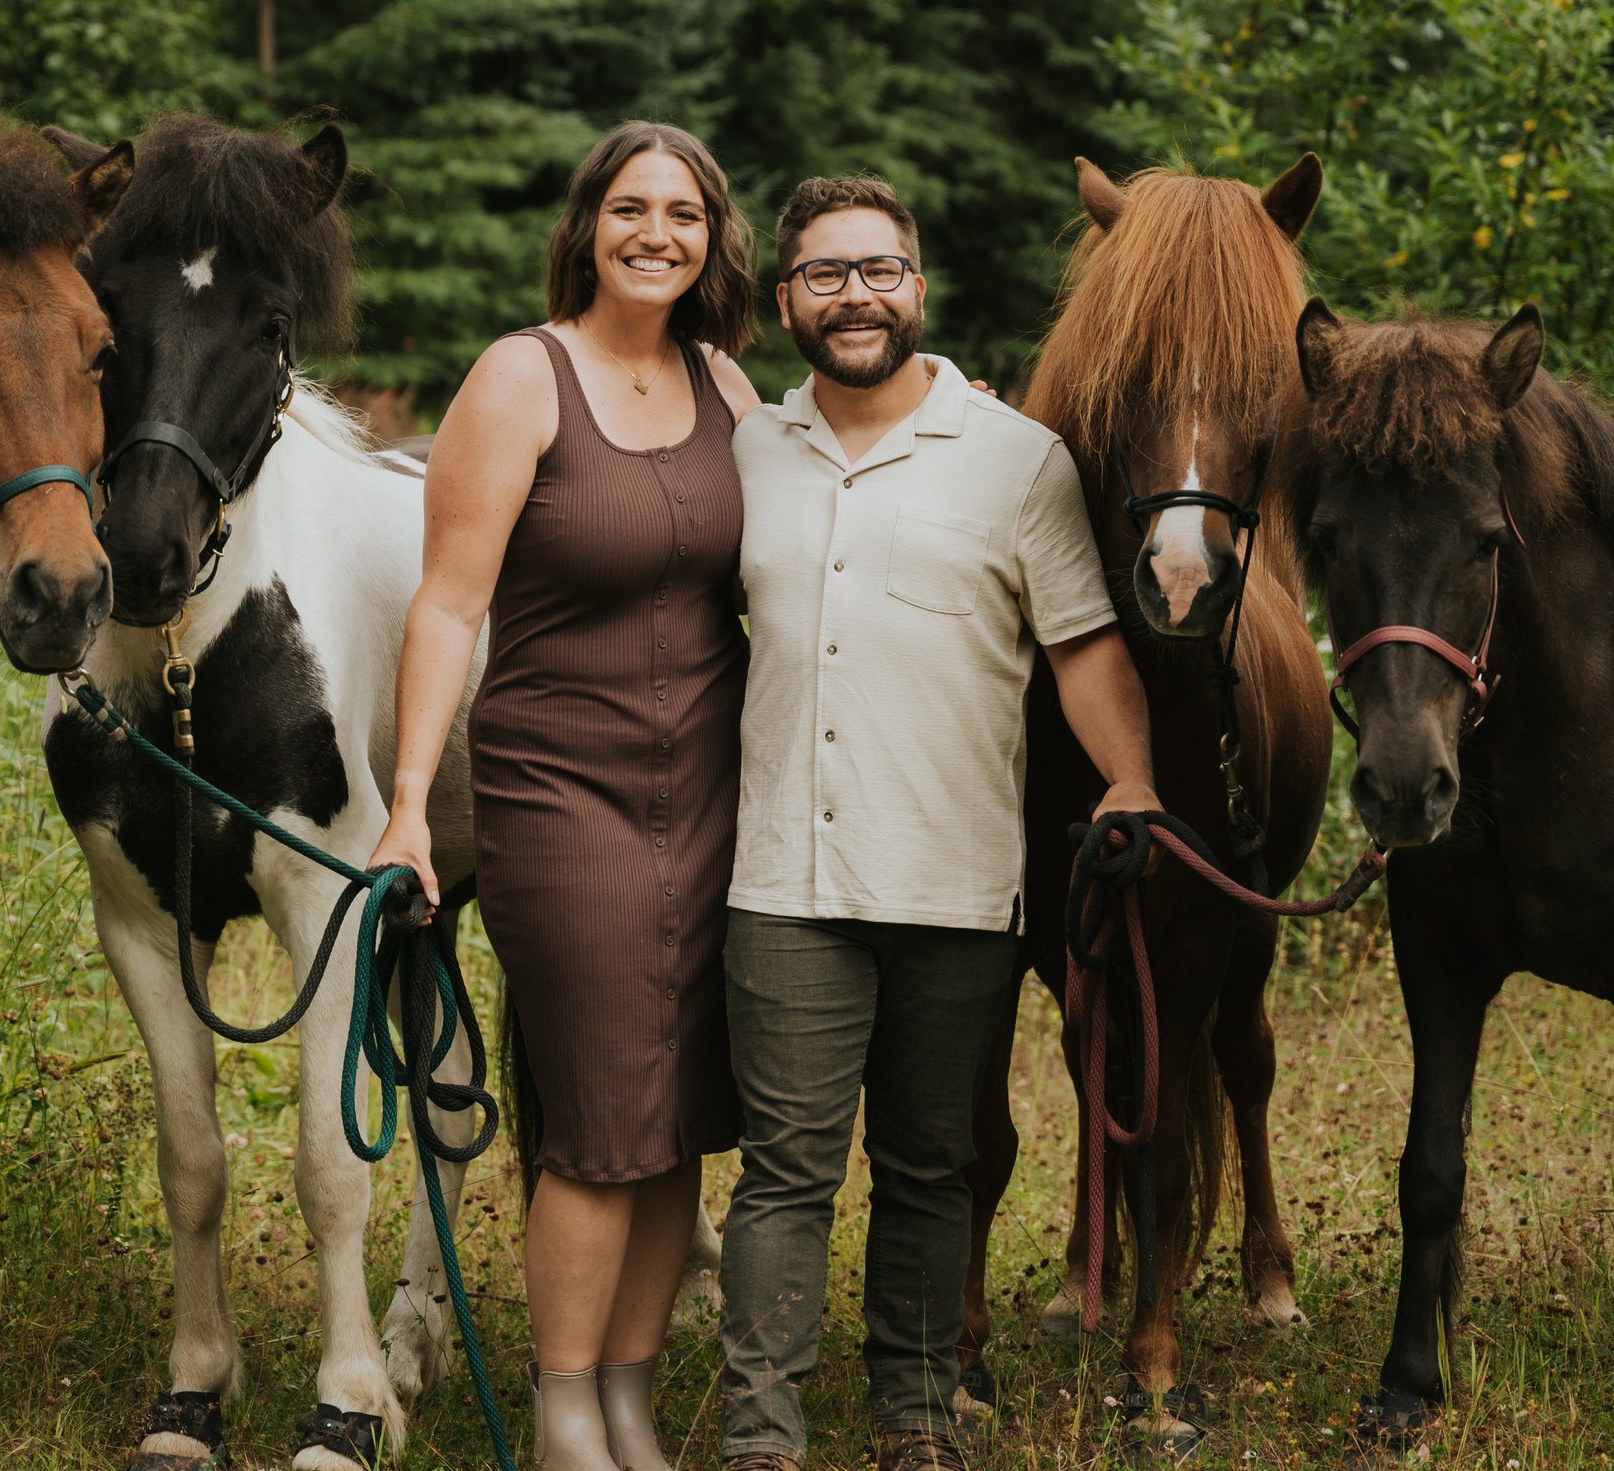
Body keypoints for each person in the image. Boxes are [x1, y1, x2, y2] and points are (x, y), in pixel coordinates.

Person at [717, 177, 1163, 1471]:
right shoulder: (748, 452)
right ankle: (761, 1430)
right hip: (786, 882)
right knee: (786, 1173)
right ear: (787, 299)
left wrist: (1130, 780)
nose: (854, 294)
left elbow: (1082, 648)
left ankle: (913, 1415)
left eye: (879, 269)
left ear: (919, 284)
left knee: (929, 1167)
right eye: (824, 274)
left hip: (958, 884)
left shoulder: (1018, 457)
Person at [370, 121, 762, 1471]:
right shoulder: (521, 377)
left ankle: (629, 1402)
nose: (659, 233)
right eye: (632, 208)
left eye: (687, 213)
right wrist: (412, 803)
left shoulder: (728, 386)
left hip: (709, 795)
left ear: (716, 239)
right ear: (587, 225)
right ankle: (560, 1417)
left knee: (678, 1123)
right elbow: (446, 604)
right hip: (558, 789)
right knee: (601, 1119)